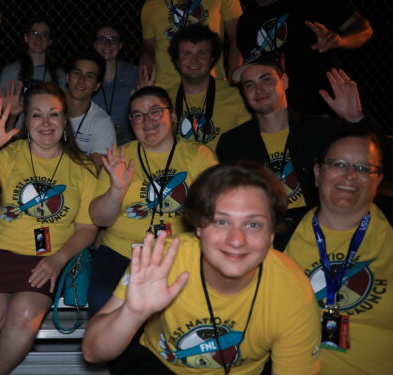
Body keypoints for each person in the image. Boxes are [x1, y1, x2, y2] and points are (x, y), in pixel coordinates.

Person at [83, 162, 321, 374]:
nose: (236, 240)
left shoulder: (291, 289)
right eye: (221, 221)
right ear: (199, 227)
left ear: (271, 234)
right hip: (160, 366)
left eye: (253, 224)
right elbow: (93, 352)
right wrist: (133, 313)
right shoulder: (163, 259)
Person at [0, 83, 98, 375]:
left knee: (26, 313)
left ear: (65, 121)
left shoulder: (81, 168)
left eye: (54, 115)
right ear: (25, 121)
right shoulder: (8, 155)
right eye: (36, 115)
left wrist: (58, 260)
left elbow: (86, 228)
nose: (45, 123)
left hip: (43, 260)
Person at [274, 130, 393, 375]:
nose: (350, 175)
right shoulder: (278, 234)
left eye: (363, 168)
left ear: (377, 179)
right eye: (338, 164)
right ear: (317, 173)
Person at [87, 86, 216, 317]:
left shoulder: (198, 155)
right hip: (122, 251)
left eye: (155, 111)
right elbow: (99, 219)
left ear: (173, 115)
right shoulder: (119, 157)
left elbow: (216, 211)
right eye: (138, 115)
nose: (147, 120)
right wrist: (117, 190)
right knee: (101, 299)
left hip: (179, 252)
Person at [216, 55, 381, 210]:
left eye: (266, 79)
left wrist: (356, 120)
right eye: (249, 84)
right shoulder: (232, 143)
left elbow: (389, 167)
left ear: (285, 81)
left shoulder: (322, 131)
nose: (258, 89)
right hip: (265, 233)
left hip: (316, 231)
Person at [237, 0, 373, 116]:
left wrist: (341, 40)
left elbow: (363, 28)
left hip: (325, 110)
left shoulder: (311, 3)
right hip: (278, 120)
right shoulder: (246, 22)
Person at [167, 24, 251, 150]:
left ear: (212, 59)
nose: (194, 60)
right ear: (177, 60)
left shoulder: (237, 96)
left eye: (202, 53)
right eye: (187, 53)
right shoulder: (164, 100)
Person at [138, 0, 243, 92]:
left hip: (210, 88)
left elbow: (238, 37)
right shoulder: (151, 4)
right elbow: (148, 45)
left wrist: (234, 84)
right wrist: (146, 56)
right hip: (165, 91)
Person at [66, 50, 116, 170]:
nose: (82, 80)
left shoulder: (102, 122)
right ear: (67, 77)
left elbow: (100, 170)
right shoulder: (49, 109)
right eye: (77, 73)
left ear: (97, 86)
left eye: (89, 76)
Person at [91, 22, 137, 146]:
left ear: (120, 45)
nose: (107, 44)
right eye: (102, 39)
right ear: (95, 45)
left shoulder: (132, 73)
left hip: (127, 138)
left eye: (113, 39)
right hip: (95, 136)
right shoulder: (88, 74)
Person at [0, 17, 66, 94]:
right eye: (34, 33)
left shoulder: (59, 74)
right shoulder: (10, 71)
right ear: (26, 37)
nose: (38, 38)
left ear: (50, 41)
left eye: (44, 34)